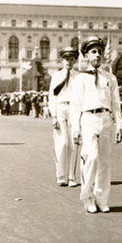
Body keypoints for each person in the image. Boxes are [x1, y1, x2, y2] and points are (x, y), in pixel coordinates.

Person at [70, 36, 122, 213]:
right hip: (88, 119)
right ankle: (88, 197)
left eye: (100, 51)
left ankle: (102, 198)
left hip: (106, 119)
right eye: (93, 52)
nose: (98, 55)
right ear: (86, 55)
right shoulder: (80, 78)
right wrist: (75, 129)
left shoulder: (110, 78)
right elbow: (75, 105)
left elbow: (116, 103)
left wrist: (119, 125)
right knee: (90, 157)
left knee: (105, 162)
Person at [48, 47, 80, 187]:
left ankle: (72, 176)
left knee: (74, 143)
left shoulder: (79, 77)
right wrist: (53, 115)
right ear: (62, 60)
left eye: (72, 59)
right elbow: (52, 97)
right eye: (66, 59)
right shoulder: (56, 76)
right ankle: (61, 175)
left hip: (74, 108)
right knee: (62, 143)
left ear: (75, 60)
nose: (69, 61)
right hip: (60, 107)